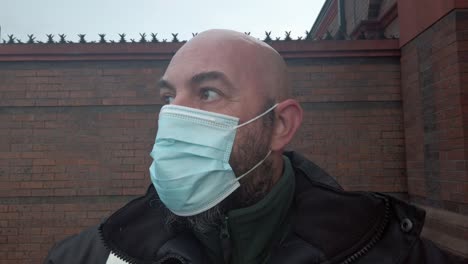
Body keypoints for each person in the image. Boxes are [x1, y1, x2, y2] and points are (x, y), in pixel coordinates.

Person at [44, 29, 463, 264]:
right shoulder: (92, 254)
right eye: (169, 97)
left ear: (281, 125)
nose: (173, 118)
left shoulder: (389, 254)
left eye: (207, 93)